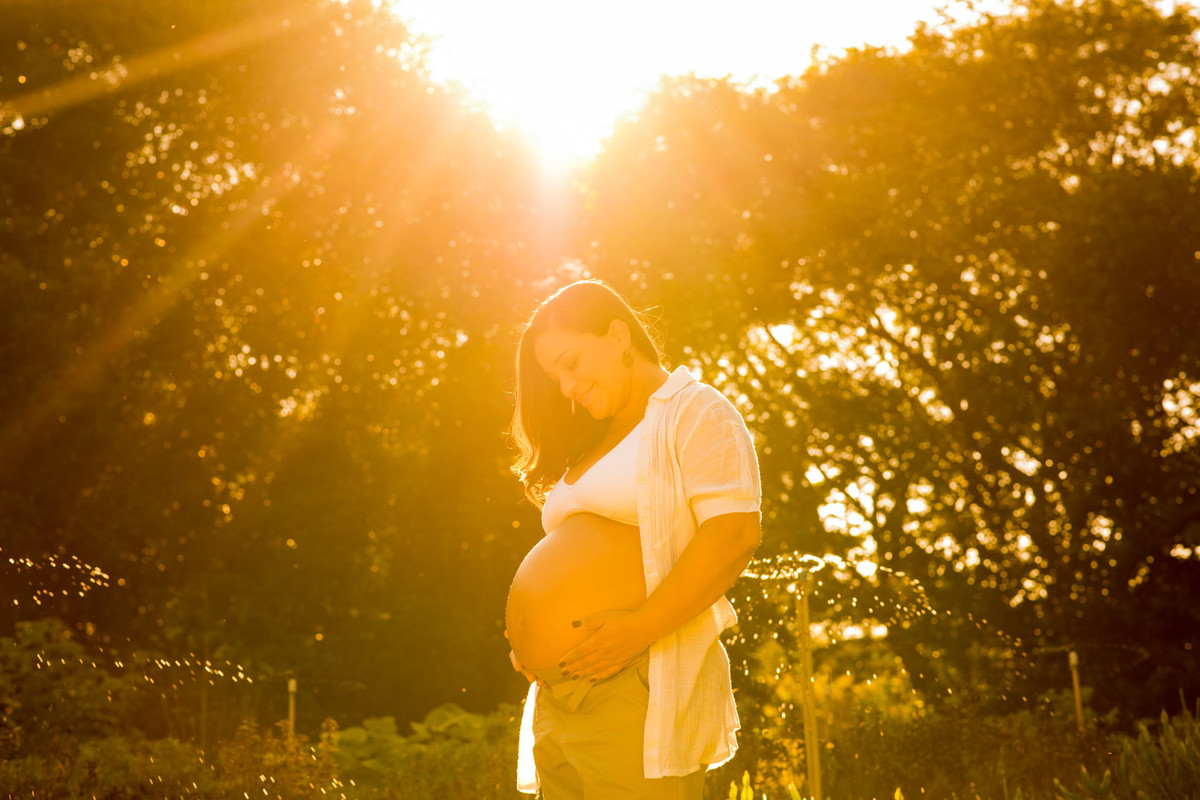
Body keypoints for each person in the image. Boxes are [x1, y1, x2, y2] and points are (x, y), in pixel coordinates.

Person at [504, 279, 762, 799]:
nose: (565, 385)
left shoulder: (693, 412)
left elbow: (734, 534)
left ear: (619, 336)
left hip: (635, 684)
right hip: (558, 696)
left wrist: (640, 628)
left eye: (572, 362)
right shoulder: (588, 441)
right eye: (554, 374)